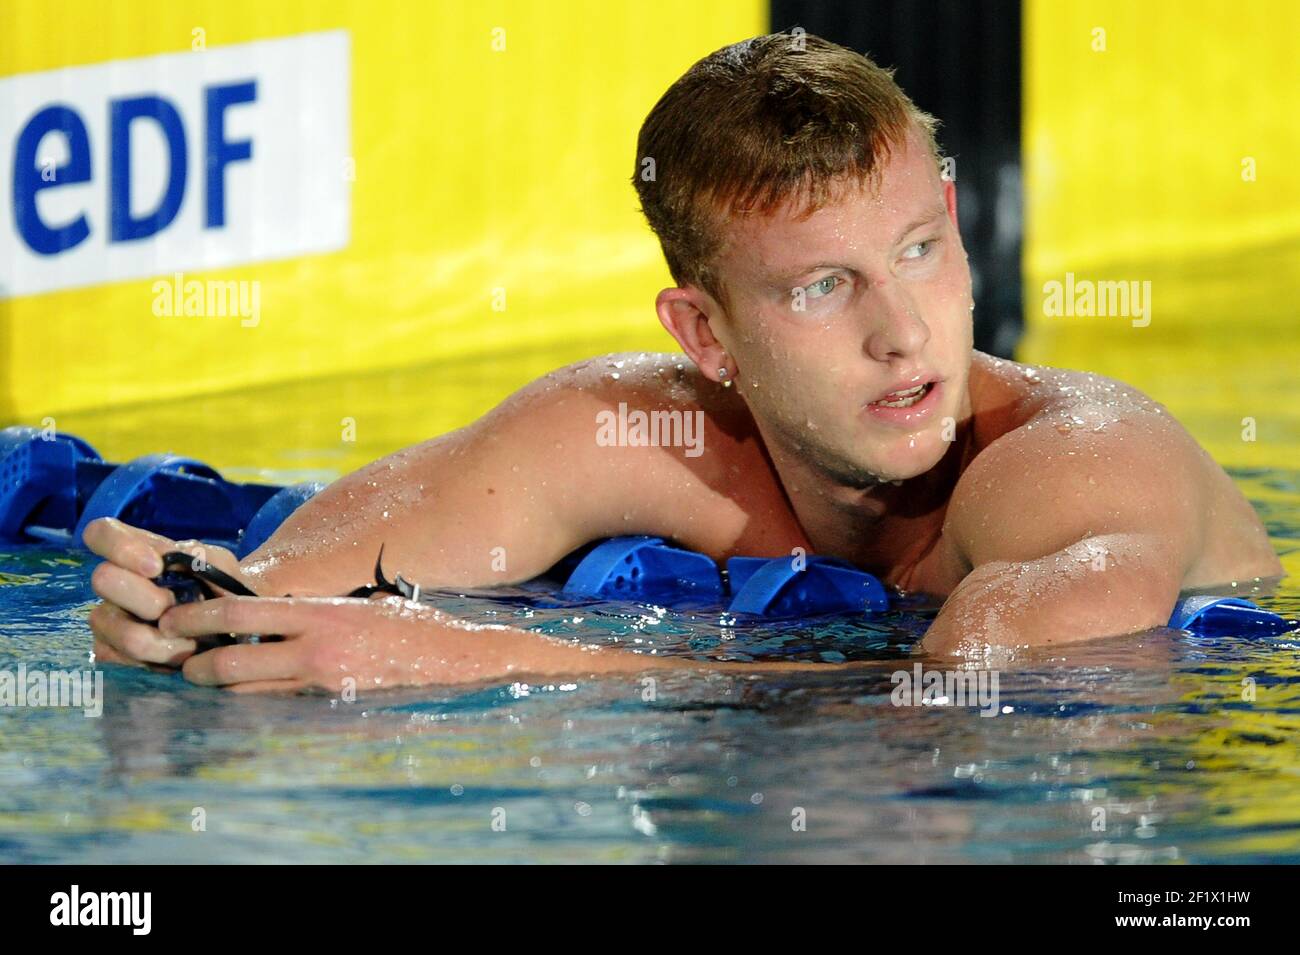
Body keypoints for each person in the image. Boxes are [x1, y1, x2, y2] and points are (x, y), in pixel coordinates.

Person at [85, 33, 1282, 693]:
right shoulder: (639, 431)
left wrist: (477, 660)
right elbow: (296, 581)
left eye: (920, 250)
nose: (903, 330)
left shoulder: (1073, 472)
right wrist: (183, 608)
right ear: (705, 337)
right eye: (823, 285)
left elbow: (949, 717)